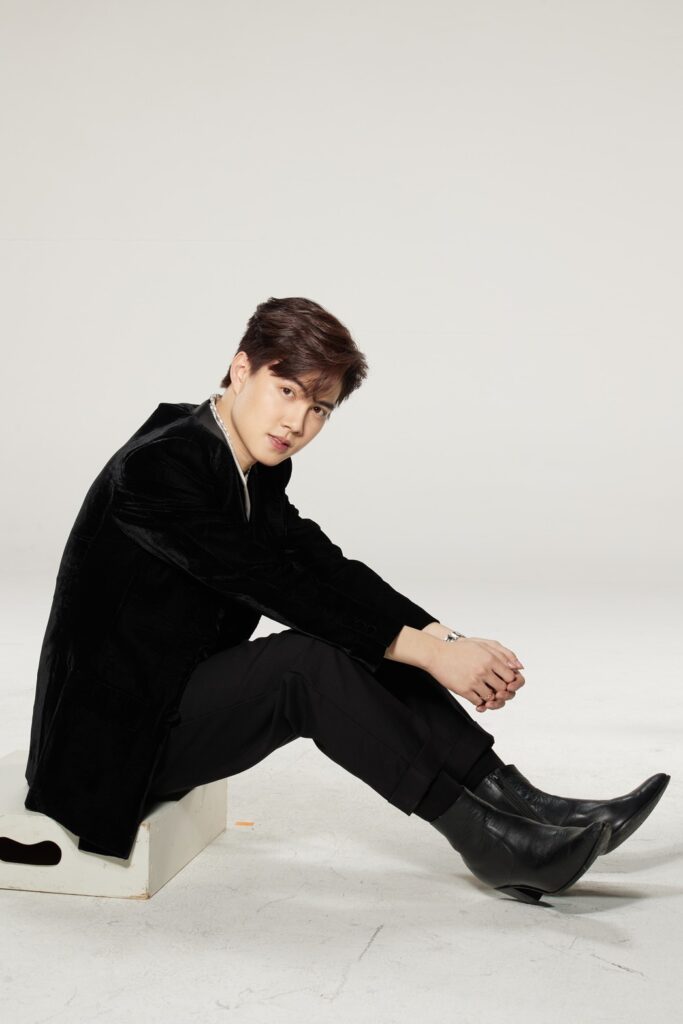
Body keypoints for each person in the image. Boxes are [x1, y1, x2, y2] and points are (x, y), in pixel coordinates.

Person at [24, 296, 670, 905]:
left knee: (359, 636)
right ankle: (490, 841)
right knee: (305, 663)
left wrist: (442, 638)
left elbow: (323, 567)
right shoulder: (159, 467)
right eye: (287, 391)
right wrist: (427, 654)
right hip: (108, 746)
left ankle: (523, 804)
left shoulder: (243, 462)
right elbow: (269, 583)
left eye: (320, 409)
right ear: (241, 369)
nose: (296, 423)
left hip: (168, 695)